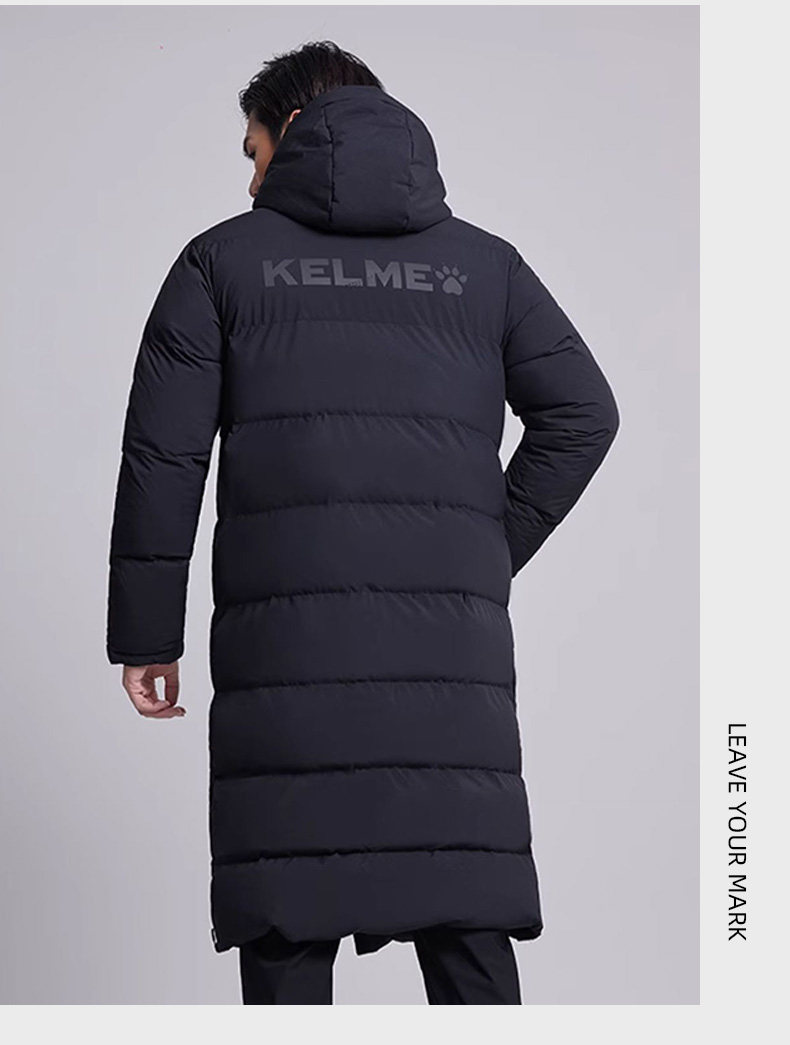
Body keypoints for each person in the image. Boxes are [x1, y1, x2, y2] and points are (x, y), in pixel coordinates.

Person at [106, 40, 619, 1005]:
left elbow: (163, 458)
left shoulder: (221, 262)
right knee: (465, 921)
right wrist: (479, 551)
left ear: (295, 127)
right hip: (447, 668)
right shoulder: (486, 267)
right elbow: (585, 414)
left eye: (254, 151)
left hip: (284, 671)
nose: (251, 180)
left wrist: (145, 634)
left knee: (287, 922)